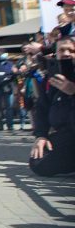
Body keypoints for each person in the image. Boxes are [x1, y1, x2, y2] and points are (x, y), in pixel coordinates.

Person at [29, 38, 75, 176]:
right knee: (38, 162)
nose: (66, 53)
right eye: (61, 50)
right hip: (66, 133)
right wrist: (41, 135)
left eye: (71, 50)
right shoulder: (51, 77)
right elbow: (42, 108)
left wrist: (73, 91)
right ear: (55, 53)